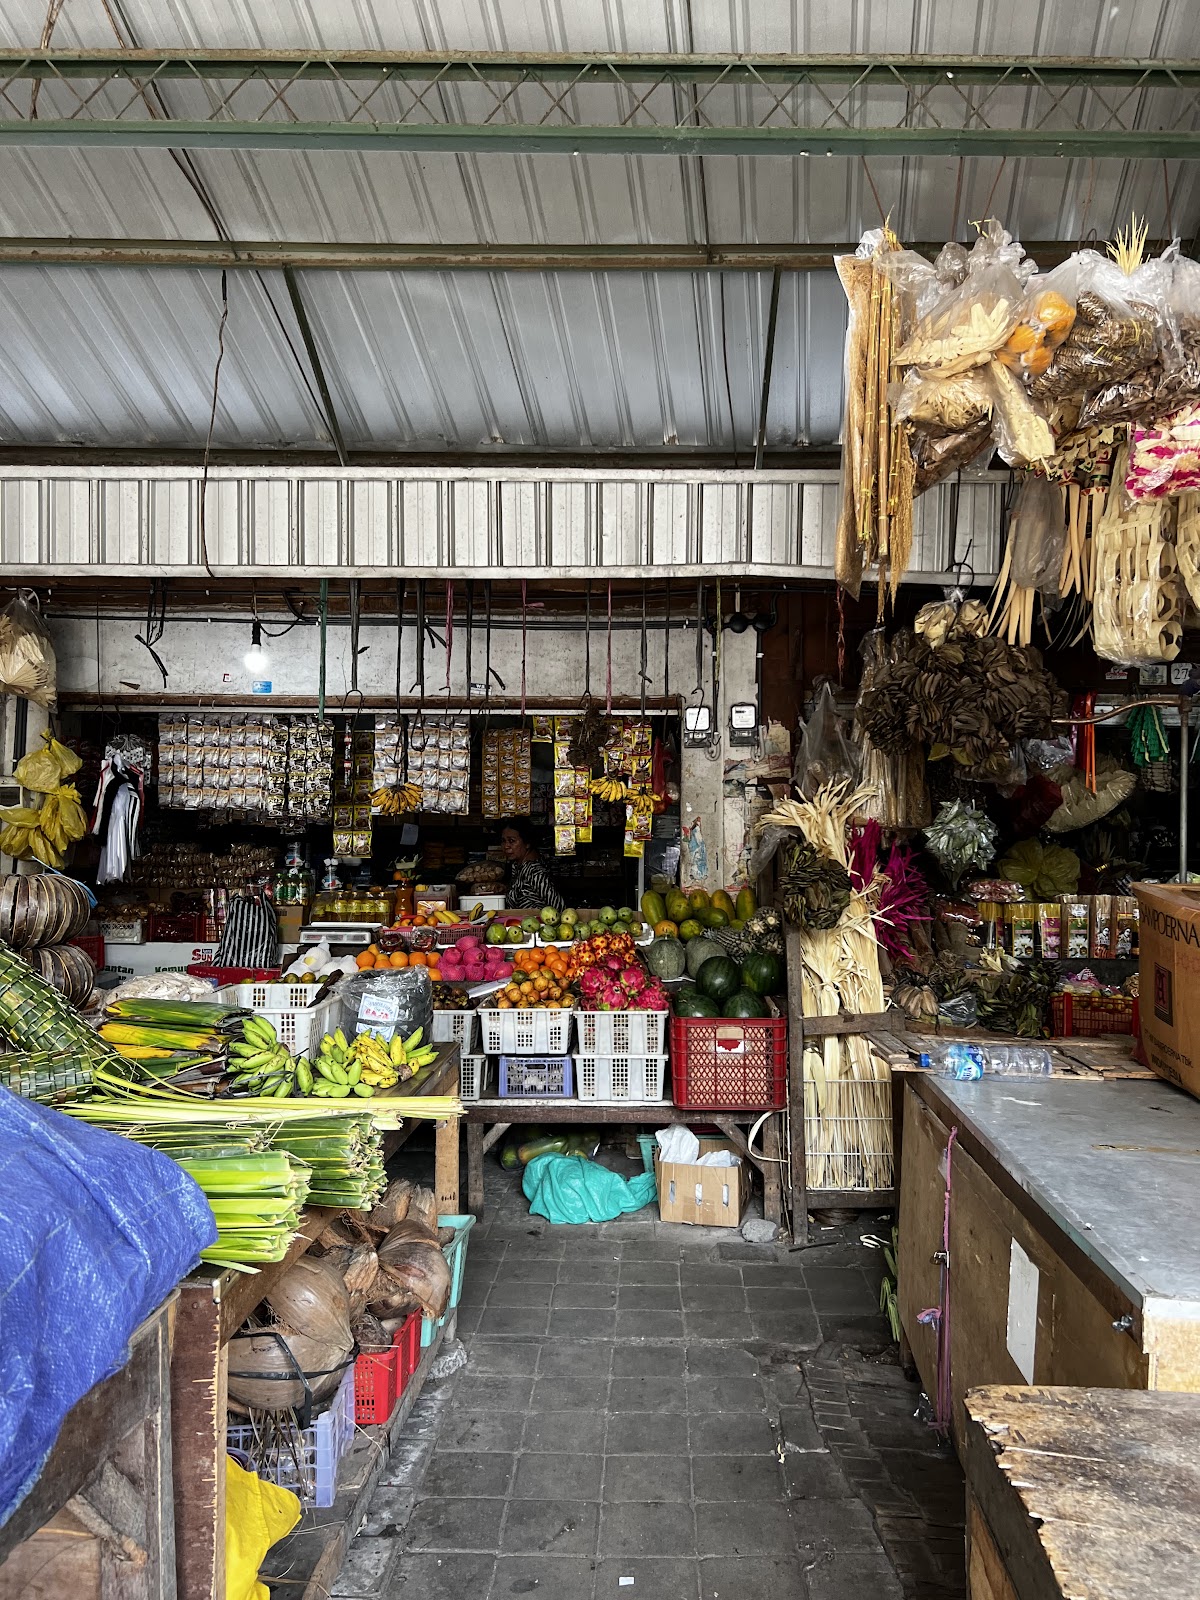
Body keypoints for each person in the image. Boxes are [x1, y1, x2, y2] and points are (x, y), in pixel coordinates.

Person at [499, 820, 564, 912]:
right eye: (503, 841)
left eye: (511, 841)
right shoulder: (518, 867)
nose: (506, 846)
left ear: (527, 843)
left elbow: (559, 908)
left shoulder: (535, 872)